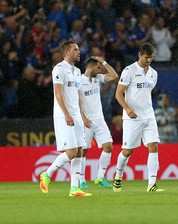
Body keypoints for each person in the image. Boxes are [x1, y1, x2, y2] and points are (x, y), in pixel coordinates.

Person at [39, 40, 91, 197]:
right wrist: (67, 114)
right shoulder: (59, 69)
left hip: (76, 115)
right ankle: (47, 174)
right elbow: (57, 92)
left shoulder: (76, 71)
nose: (79, 52)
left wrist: (82, 116)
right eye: (75, 49)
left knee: (80, 150)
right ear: (67, 52)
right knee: (71, 151)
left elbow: (77, 96)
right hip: (64, 115)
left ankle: (74, 188)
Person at [113, 43, 164, 192]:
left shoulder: (153, 73)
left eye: (151, 58)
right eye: (146, 57)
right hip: (132, 117)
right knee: (128, 151)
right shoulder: (129, 71)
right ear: (139, 55)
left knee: (153, 145)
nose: (148, 60)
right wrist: (127, 109)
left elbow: (146, 93)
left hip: (148, 115)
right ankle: (118, 175)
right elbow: (118, 93)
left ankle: (151, 185)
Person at [78, 56, 119, 189]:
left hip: (99, 120)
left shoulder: (97, 78)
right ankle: (81, 180)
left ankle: (100, 177)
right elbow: (76, 102)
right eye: (98, 67)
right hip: (86, 121)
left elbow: (113, 75)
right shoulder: (79, 81)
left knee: (108, 146)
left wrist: (103, 62)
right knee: (83, 151)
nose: (100, 69)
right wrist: (83, 118)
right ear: (90, 67)